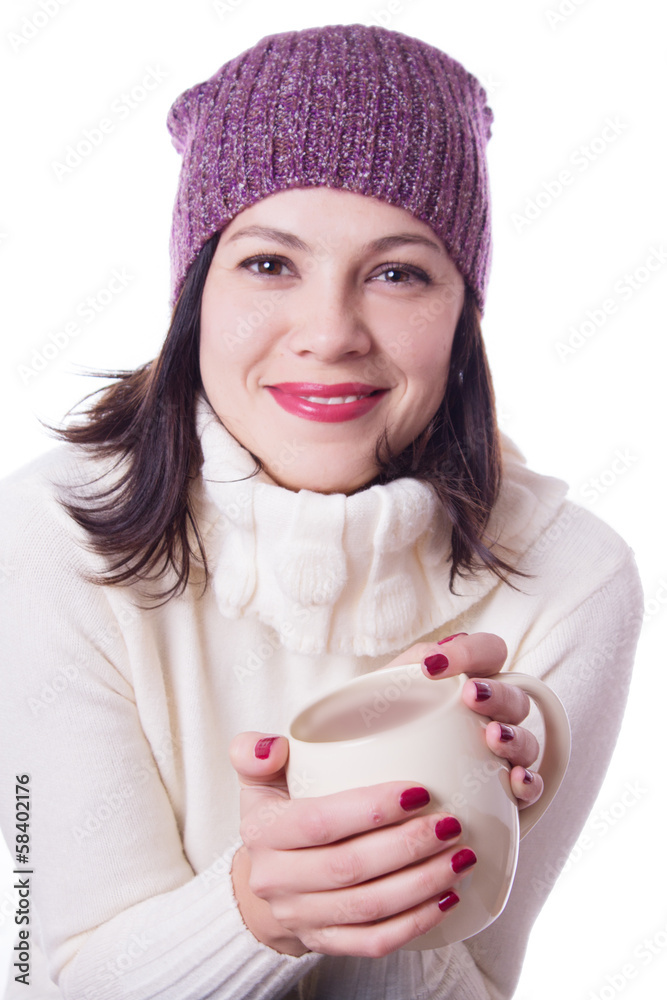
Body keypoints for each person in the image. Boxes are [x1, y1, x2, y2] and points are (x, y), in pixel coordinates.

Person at [0, 22, 643, 1000]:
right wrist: (258, 910)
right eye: (269, 264)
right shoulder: (50, 535)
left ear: (463, 312)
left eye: (397, 272)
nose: (331, 333)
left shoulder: (569, 578)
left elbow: (475, 988)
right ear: (194, 293)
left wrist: (412, 859)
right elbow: (54, 978)